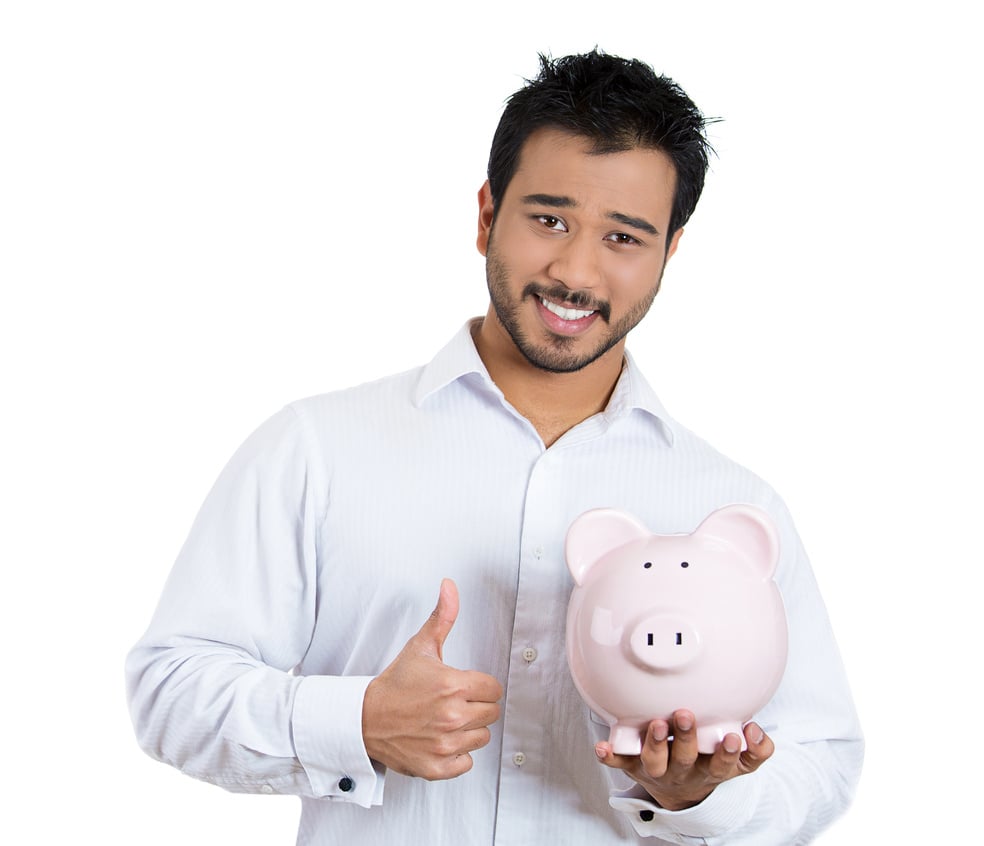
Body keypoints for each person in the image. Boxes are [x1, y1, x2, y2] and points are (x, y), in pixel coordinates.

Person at [126, 50, 863, 844]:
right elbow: (170, 688)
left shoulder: (735, 505)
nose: (575, 271)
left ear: (669, 252)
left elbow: (822, 760)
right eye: (549, 220)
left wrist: (696, 798)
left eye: (624, 236)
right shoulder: (317, 450)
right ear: (487, 216)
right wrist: (359, 721)